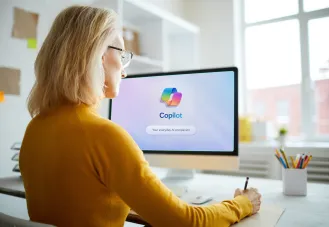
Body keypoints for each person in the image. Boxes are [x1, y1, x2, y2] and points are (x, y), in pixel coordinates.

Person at [19, 5, 261, 227]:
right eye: (122, 54)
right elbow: (186, 222)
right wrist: (243, 204)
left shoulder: (35, 129)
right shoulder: (104, 135)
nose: (124, 71)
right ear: (98, 55)